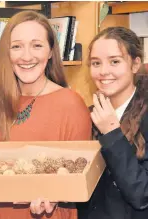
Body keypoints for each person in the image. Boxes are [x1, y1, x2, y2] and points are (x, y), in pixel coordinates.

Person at [0, 10, 92, 219]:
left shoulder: (71, 105)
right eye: (17, 46)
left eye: (37, 45)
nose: (26, 56)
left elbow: (78, 177)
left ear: (50, 52)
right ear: (6, 53)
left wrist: (55, 195)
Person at [77, 27, 148, 219]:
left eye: (114, 61)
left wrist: (112, 133)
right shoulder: (88, 114)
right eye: (96, 63)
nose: (103, 71)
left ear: (135, 64)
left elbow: (142, 195)